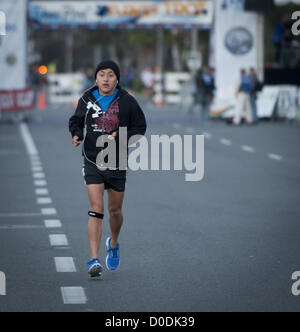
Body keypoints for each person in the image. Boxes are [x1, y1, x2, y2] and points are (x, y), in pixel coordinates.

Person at [69, 60, 147, 277]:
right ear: (96, 78)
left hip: (116, 161)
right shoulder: (87, 98)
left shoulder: (127, 101)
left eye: (110, 75)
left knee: (115, 211)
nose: (105, 78)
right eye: (101, 74)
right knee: (97, 209)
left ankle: (113, 243)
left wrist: (122, 136)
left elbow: (140, 127)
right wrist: (77, 134)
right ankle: (93, 259)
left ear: (117, 79)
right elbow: (75, 120)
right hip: (92, 159)